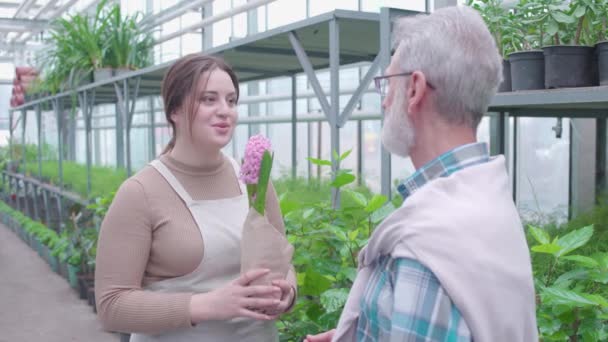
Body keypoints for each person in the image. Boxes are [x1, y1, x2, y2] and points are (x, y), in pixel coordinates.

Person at [306, 6, 537, 342]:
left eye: (387, 85)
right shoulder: (485, 197)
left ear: (414, 89)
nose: (385, 103)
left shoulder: (427, 245)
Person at [95, 53, 297, 341]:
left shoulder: (254, 180)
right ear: (174, 110)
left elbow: (282, 264)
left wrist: (287, 293)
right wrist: (206, 305)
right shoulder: (141, 192)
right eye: (208, 99)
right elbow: (112, 305)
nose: (225, 110)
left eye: (231, 100)